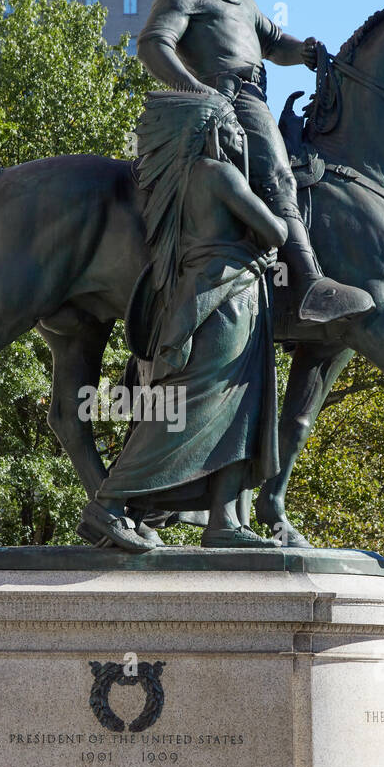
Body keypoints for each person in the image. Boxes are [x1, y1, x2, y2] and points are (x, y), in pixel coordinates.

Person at [137, 0, 373, 325]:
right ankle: (310, 284)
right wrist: (202, 94)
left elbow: (274, 41)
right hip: (231, 97)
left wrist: (303, 52)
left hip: (256, 93)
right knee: (279, 176)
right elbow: (154, 45)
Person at [79, 91, 284, 553]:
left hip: (210, 296)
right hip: (226, 300)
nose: (240, 137)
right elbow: (278, 230)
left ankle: (224, 519)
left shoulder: (178, 182)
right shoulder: (220, 174)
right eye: (233, 128)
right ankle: (109, 503)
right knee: (198, 405)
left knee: (238, 407)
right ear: (211, 131)